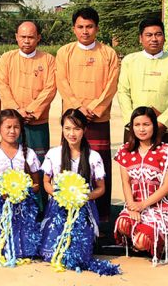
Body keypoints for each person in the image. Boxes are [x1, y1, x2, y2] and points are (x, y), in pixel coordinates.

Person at [55, 7, 120, 221]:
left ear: (97, 28)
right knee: (70, 161)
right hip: (73, 119)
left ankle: (101, 216)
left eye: (89, 27)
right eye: (80, 27)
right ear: (74, 29)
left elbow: (111, 85)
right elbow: (62, 82)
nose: (85, 31)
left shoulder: (108, 53)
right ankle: (68, 211)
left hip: (98, 118)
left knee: (98, 165)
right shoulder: (64, 52)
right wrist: (78, 109)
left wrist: (94, 108)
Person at [40, 108, 120, 275]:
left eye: (77, 129)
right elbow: (46, 182)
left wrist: (83, 197)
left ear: (84, 129)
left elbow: (101, 188)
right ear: (62, 129)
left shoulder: (93, 156)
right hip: (58, 207)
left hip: (84, 208)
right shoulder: (53, 154)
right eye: (67, 128)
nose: (72, 133)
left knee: (79, 256)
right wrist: (60, 195)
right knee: (52, 253)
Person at [114, 106, 168, 266]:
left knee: (141, 242)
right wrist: (131, 206)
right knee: (122, 224)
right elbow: (126, 182)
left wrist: (143, 205)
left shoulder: (166, 151)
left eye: (146, 124)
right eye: (137, 125)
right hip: (135, 205)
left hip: (159, 208)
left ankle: (157, 240)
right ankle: (140, 234)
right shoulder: (125, 151)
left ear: (154, 126)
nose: (141, 129)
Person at [0, 109, 42, 261]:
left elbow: (37, 184)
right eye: (8, 127)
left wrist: (23, 191)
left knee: (25, 250)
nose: (12, 131)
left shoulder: (28, 154)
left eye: (16, 127)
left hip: (23, 208)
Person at [116, 17, 168, 144]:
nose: (154, 39)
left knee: (164, 158)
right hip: (134, 128)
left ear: (164, 38)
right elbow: (123, 93)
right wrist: (133, 122)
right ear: (140, 38)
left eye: (158, 34)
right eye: (149, 35)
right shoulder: (129, 61)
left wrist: (162, 123)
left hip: (163, 130)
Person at [0, 20, 57, 162]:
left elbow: (51, 88)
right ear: (16, 37)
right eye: (23, 37)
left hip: (38, 121)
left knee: (38, 163)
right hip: (12, 121)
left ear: (38, 38)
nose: (26, 41)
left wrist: (32, 111)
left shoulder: (48, 60)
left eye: (30, 37)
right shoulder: (6, 59)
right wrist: (17, 111)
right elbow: (3, 86)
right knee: (11, 161)